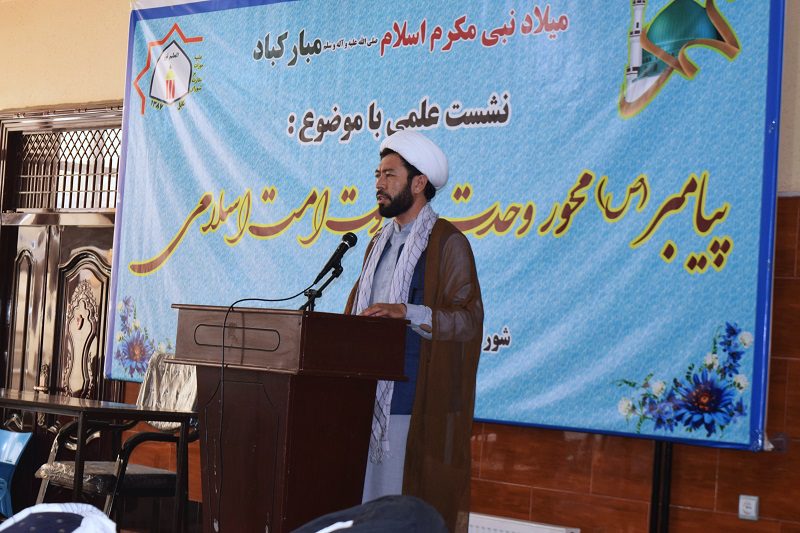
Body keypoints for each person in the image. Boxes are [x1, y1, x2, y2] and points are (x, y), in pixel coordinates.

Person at [344, 129, 483, 533]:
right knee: (365, 515)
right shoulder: (377, 244)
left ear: (419, 183)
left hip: (412, 404)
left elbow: (467, 320)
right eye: (377, 174)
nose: (379, 184)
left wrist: (407, 312)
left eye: (390, 175)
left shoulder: (447, 243)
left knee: (398, 515)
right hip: (364, 402)